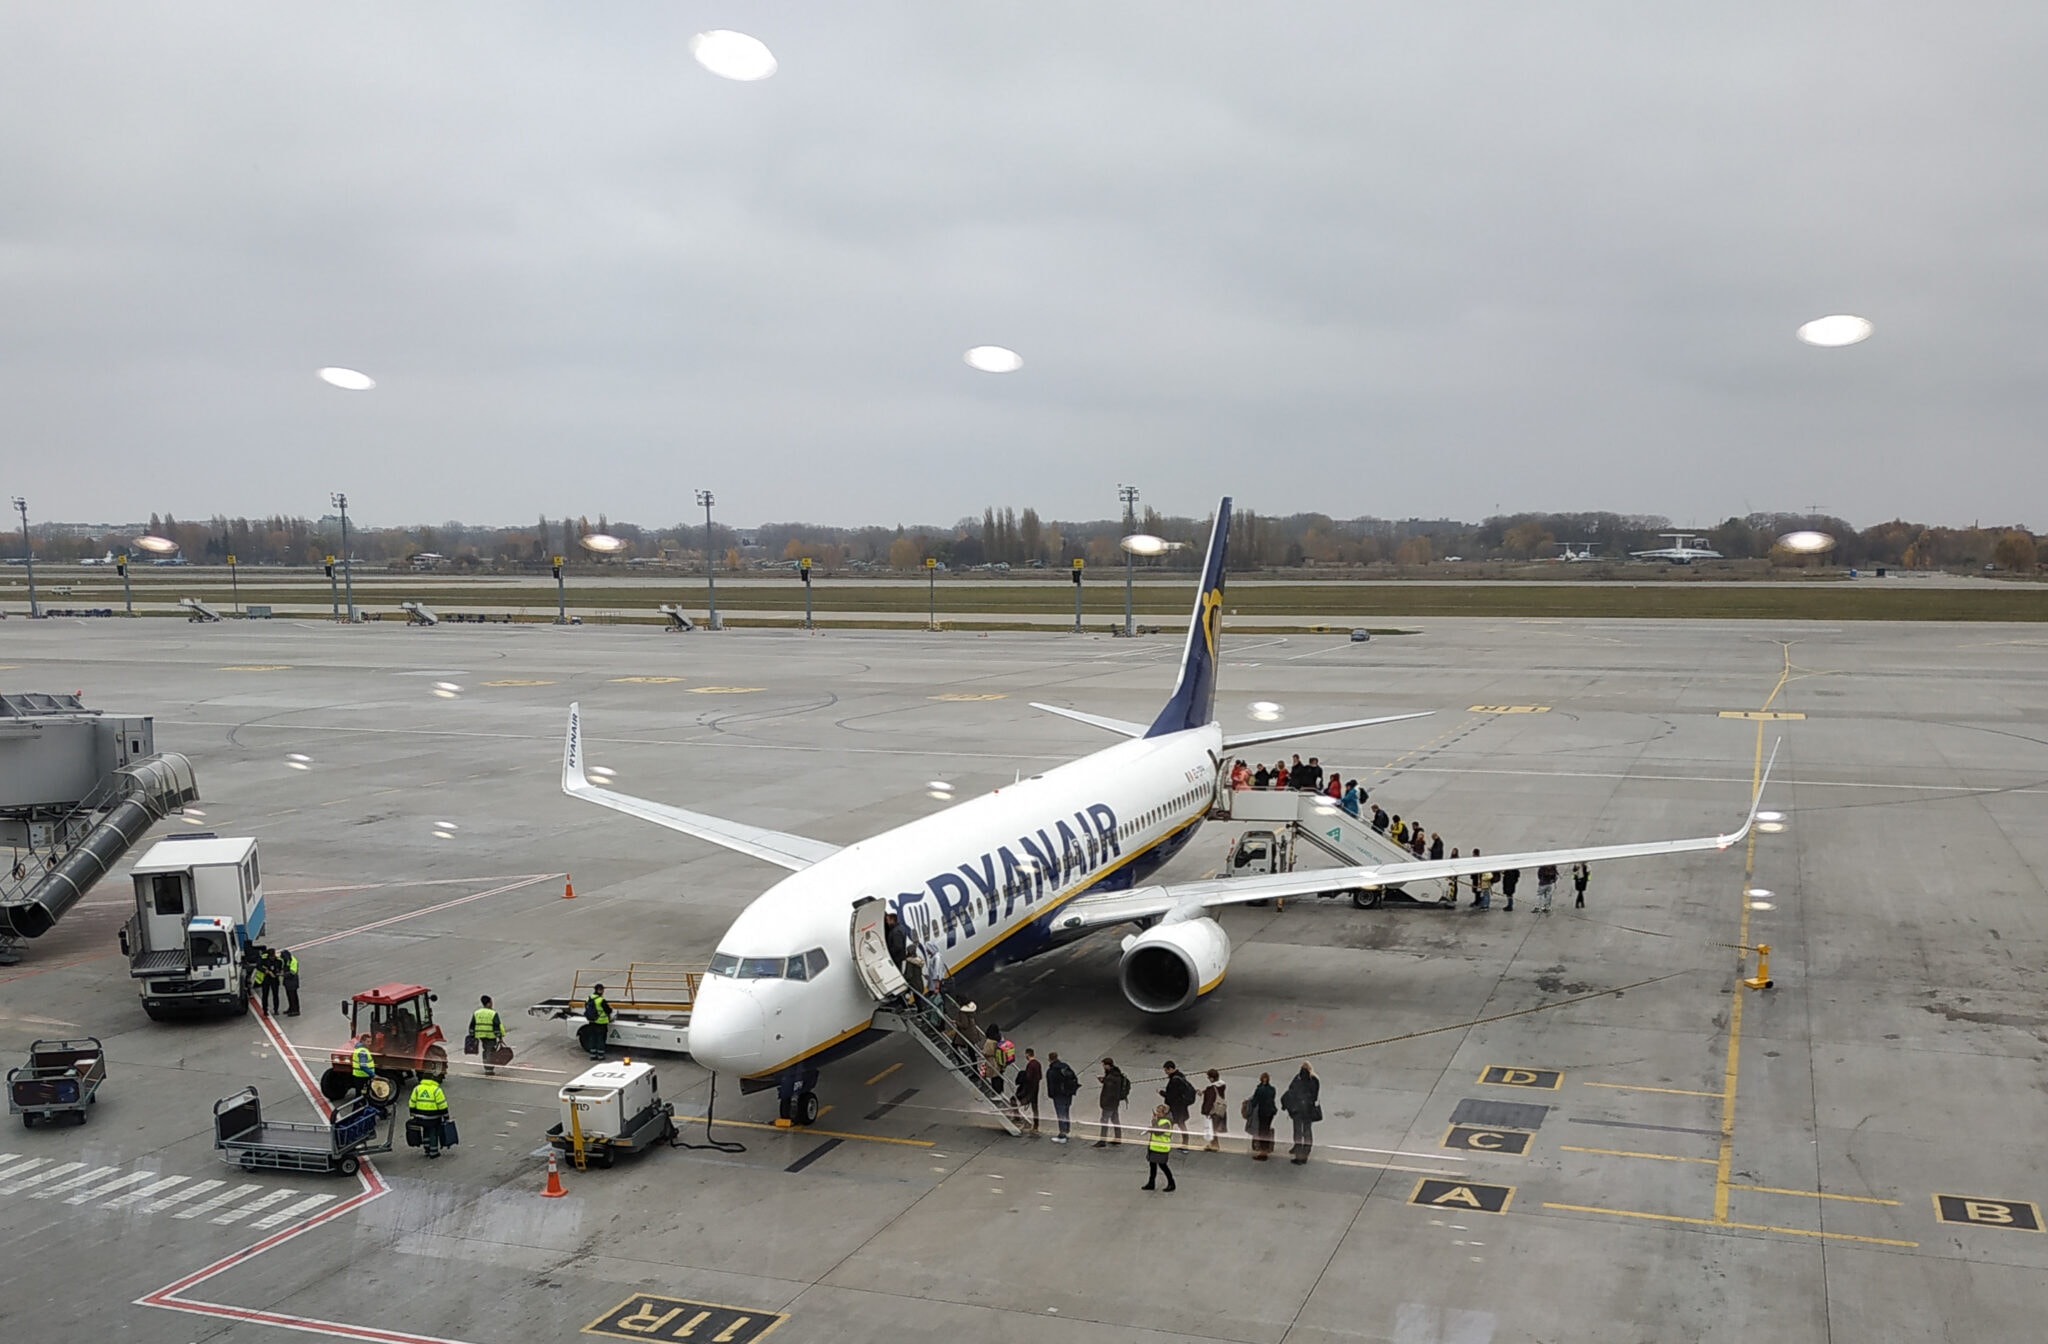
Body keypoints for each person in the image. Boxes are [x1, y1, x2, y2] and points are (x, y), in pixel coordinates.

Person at [1280, 1062, 1320, 1165]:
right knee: (1307, 1130)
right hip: (1308, 1109)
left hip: (1297, 1110)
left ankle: (1298, 1150)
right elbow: (1315, 1095)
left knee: (1298, 1130)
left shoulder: (1298, 1079)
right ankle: (1307, 1148)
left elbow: (1290, 1091)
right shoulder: (1314, 1080)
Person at [408, 1075, 452, 1159]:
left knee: (425, 1131)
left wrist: (413, 1114)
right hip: (434, 1117)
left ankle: (427, 1149)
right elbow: (442, 1105)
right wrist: (446, 1117)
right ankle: (434, 1152)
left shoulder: (417, 1089)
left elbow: (412, 1102)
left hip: (420, 1116)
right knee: (433, 1133)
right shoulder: (436, 1090)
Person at [1161, 1061, 1197, 1150]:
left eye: (1166, 1070)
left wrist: (1162, 1093)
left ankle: (1166, 1142)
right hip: (1181, 1107)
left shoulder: (1174, 1080)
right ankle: (1185, 1143)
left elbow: (1172, 1095)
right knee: (1181, 1124)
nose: (1165, 1072)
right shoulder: (1180, 1076)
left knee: (1169, 1124)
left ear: (1170, 1069)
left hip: (1176, 1108)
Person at [1045, 1051, 1080, 1143]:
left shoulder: (1051, 1071)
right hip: (1068, 1094)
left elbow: (1051, 1085)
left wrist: (1051, 1095)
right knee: (1066, 1112)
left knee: (1060, 1114)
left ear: (1049, 1059)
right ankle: (1067, 1130)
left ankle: (1062, 1135)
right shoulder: (1065, 1066)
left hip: (1058, 1095)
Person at [1094, 1058, 1130, 1146]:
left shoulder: (1111, 1077)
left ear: (1107, 1065)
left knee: (1104, 1120)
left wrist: (1104, 1103)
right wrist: (1104, 1080)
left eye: (1104, 1065)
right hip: (1115, 1102)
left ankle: (1102, 1141)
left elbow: (1109, 1091)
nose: (1103, 1067)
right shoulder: (1116, 1074)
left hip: (1109, 1103)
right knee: (1115, 1120)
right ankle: (1118, 1138)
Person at [1142, 1105, 1177, 1191]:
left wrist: (1154, 1121)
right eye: (1157, 1111)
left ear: (1164, 1113)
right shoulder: (1160, 1120)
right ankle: (1151, 1183)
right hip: (1154, 1146)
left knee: (1163, 1166)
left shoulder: (1166, 1122)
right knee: (1152, 1165)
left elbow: (1158, 1132)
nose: (1157, 1113)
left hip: (1161, 1147)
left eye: (1159, 1112)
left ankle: (1171, 1183)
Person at [471, 995, 507, 1076]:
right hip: (491, 1035)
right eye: (491, 1002)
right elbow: (497, 1025)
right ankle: (489, 1068)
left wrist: (472, 1034)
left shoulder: (477, 1013)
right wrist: (500, 1037)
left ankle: (487, 1065)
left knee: (486, 1049)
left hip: (481, 1035)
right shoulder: (493, 1013)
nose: (492, 1004)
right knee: (490, 1051)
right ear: (488, 1003)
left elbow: (472, 1024)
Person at [1248, 1071, 1278, 1160]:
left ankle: (1263, 1152)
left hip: (1263, 1112)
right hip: (1271, 1111)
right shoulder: (1272, 1089)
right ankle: (1267, 1148)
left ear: (1261, 1079)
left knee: (1262, 1131)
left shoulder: (1259, 1089)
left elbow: (1254, 1102)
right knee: (1267, 1130)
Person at [580, 984, 612, 1059]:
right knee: (601, 1038)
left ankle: (592, 1055)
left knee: (592, 1038)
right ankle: (600, 1055)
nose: (603, 991)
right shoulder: (601, 1000)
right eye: (602, 990)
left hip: (591, 1021)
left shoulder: (589, 998)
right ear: (599, 990)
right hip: (601, 1022)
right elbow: (608, 1010)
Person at [1015, 1047, 1043, 1133]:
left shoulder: (1030, 1065)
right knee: (1035, 1107)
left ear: (1028, 1054)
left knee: (1017, 1101)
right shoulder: (1038, 1063)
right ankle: (1036, 1125)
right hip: (1036, 1088)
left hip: (1029, 1089)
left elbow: (1028, 1077)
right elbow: (1040, 1076)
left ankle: (1017, 1118)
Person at [1200, 1069, 1228, 1151]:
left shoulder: (1211, 1088)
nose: (1208, 1079)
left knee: (1212, 1129)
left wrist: (1205, 1111)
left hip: (1214, 1110)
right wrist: (1205, 1091)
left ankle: (1214, 1146)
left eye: (1208, 1077)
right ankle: (1213, 1144)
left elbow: (1209, 1101)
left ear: (1212, 1078)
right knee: (1214, 1128)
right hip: (1221, 1109)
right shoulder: (1222, 1085)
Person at [279, 948, 301, 1016]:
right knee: (289, 996)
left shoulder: (293, 961)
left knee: (293, 996)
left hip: (292, 981)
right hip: (288, 981)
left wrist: (283, 975)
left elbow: (292, 972)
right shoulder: (286, 960)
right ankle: (291, 1008)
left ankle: (295, 1010)